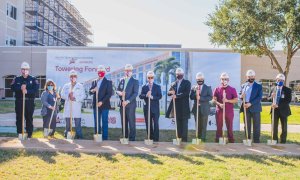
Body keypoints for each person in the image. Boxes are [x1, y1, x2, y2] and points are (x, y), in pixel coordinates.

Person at [11, 62, 39, 138]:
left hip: (29, 101)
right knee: (19, 118)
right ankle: (20, 133)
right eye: (23, 69)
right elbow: (12, 88)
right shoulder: (17, 79)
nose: (25, 70)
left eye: (26, 69)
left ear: (28, 70)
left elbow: (36, 89)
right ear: (21, 70)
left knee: (29, 118)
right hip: (19, 101)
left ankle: (29, 134)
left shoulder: (33, 79)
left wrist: (27, 91)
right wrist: (20, 88)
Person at [166, 68, 191, 142]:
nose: (178, 75)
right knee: (178, 125)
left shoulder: (187, 82)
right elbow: (168, 93)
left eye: (179, 74)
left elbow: (186, 93)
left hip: (184, 108)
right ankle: (178, 139)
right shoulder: (174, 83)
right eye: (177, 74)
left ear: (182, 74)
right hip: (176, 108)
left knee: (184, 126)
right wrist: (171, 92)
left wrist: (177, 95)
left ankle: (184, 141)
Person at [212, 72, 238, 143]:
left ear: (228, 80)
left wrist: (228, 100)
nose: (224, 80)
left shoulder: (232, 89)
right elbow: (214, 99)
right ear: (220, 80)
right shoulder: (217, 89)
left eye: (225, 79)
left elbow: (236, 100)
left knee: (229, 127)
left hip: (229, 111)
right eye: (222, 79)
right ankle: (218, 141)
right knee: (219, 127)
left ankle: (231, 141)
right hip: (219, 111)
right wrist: (219, 104)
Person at [116, 64, 139, 141]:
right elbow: (117, 90)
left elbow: (135, 93)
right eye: (126, 70)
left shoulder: (135, 81)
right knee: (124, 122)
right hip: (122, 105)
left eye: (129, 70)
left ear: (132, 72)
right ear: (125, 71)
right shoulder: (122, 80)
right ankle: (125, 137)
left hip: (131, 105)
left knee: (131, 122)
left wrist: (127, 101)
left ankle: (132, 139)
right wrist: (120, 93)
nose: (128, 72)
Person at [89, 65, 113, 140]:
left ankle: (105, 137)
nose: (100, 73)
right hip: (95, 105)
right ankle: (97, 135)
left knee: (105, 121)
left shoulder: (108, 82)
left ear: (104, 73)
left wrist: (102, 102)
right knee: (97, 121)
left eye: (102, 72)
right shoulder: (94, 82)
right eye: (99, 72)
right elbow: (90, 92)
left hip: (104, 105)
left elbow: (109, 94)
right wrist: (93, 90)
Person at [61, 70, 85, 139]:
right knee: (68, 124)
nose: (73, 77)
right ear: (69, 77)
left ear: (76, 77)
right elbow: (62, 94)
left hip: (76, 107)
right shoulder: (66, 86)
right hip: (68, 107)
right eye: (71, 76)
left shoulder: (80, 86)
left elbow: (83, 96)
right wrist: (68, 96)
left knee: (77, 124)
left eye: (74, 76)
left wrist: (75, 98)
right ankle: (67, 135)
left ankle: (80, 136)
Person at [240, 70, 263, 143]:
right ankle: (248, 139)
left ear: (254, 77)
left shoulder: (258, 86)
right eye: (249, 76)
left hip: (255, 107)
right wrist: (241, 96)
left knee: (256, 125)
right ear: (247, 77)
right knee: (247, 125)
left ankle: (256, 140)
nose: (251, 78)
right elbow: (240, 94)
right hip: (246, 107)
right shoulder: (243, 85)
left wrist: (250, 103)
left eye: (252, 76)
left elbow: (259, 97)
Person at [139, 71, 162, 142]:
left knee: (156, 124)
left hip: (155, 109)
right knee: (148, 124)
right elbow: (140, 96)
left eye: (151, 77)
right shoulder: (144, 87)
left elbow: (160, 96)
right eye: (149, 77)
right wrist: (146, 95)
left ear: (154, 78)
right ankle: (150, 138)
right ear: (147, 78)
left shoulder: (157, 86)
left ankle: (156, 139)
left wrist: (152, 97)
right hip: (147, 109)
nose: (150, 79)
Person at [190, 72, 212, 142]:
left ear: (203, 79)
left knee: (203, 125)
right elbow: (191, 97)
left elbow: (210, 97)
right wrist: (195, 96)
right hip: (196, 109)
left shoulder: (208, 87)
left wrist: (201, 98)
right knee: (197, 125)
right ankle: (198, 138)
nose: (200, 80)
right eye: (198, 79)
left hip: (204, 109)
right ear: (196, 80)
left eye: (201, 79)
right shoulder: (194, 87)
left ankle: (203, 139)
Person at [269, 73, 291, 144]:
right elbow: (269, 99)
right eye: (279, 80)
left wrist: (278, 105)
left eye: (282, 80)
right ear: (276, 80)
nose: (280, 81)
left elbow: (288, 100)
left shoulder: (287, 90)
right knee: (274, 127)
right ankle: (274, 140)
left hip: (283, 110)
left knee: (284, 127)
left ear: (284, 81)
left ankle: (283, 141)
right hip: (274, 111)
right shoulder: (273, 88)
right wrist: (271, 97)